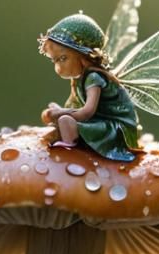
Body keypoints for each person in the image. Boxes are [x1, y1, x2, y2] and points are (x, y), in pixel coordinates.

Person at [39, 12, 139, 161]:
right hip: (100, 121)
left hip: (117, 129)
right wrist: (60, 111)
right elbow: (75, 105)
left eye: (63, 58)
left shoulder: (94, 77)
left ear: (83, 55)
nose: (58, 68)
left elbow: (87, 112)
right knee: (62, 118)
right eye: (55, 61)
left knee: (65, 121)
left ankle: (69, 145)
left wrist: (61, 114)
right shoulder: (80, 79)